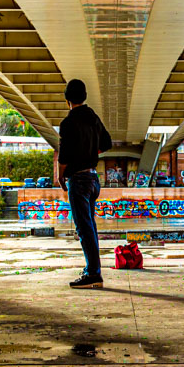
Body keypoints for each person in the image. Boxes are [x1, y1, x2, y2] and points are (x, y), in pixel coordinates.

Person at [54, 78, 111, 289]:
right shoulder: (92, 117)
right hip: (93, 179)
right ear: (84, 97)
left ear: (67, 99)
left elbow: (64, 155)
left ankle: (93, 273)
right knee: (90, 226)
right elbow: (107, 143)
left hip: (78, 180)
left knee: (83, 227)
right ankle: (92, 270)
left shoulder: (68, 123)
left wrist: (60, 176)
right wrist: (90, 151)